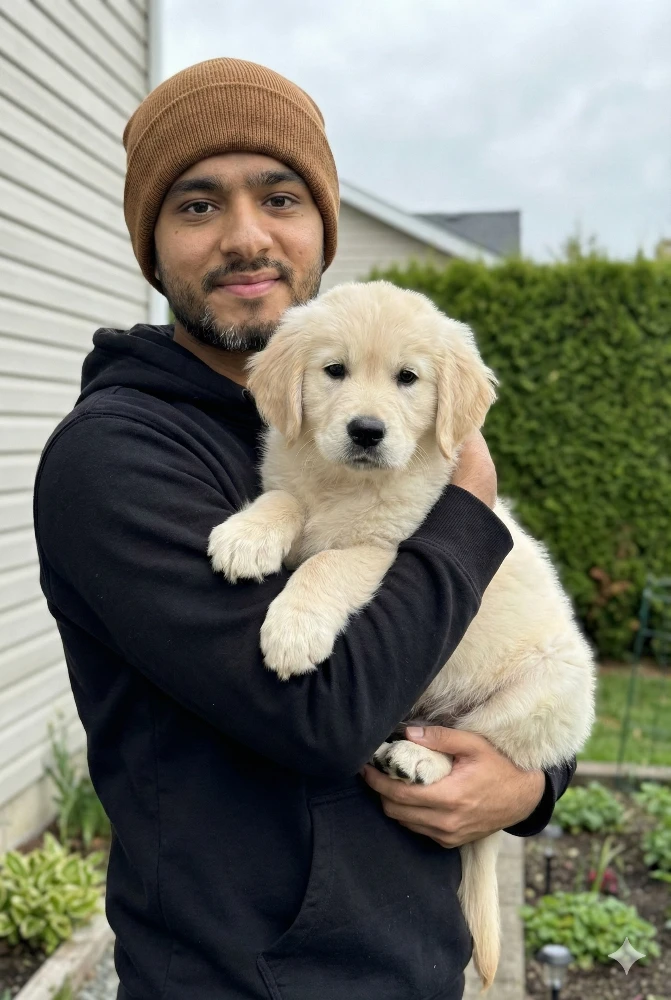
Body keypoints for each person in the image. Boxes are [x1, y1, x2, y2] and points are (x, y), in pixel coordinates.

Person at [34, 59, 575, 1000]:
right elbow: (319, 712)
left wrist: (527, 790)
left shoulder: (343, 405)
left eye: (279, 196)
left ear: (323, 226)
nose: (247, 237)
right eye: (197, 205)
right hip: (239, 980)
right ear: (150, 247)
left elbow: (488, 641)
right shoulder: (113, 460)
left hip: (411, 962)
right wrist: (464, 511)